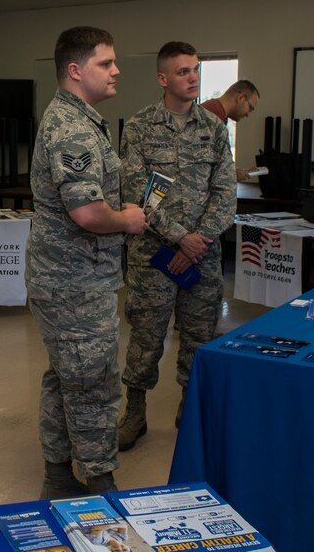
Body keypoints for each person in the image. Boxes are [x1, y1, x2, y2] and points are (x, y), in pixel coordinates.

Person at [26, 26, 147, 498]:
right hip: (74, 282)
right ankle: (100, 484)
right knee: (93, 384)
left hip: (72, 278)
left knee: (66, 377)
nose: (116, 70)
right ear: (76, 71)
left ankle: (58, 476)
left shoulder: (78, 119)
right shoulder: (73, 129)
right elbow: (88, 213)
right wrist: (128, 220)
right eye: (106, 63)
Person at [118, 41, 236, 451]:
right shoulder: (138, 127)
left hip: (202, 257)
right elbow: (136, 192)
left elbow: (225, 192)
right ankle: (134, 412)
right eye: (183, 71)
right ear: (163, 78)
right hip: (154, 257)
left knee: (200, 337)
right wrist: (178, 237)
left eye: (196, 70)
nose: (193, 78)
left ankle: (190, 406)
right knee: (146, 337)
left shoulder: (215, 129)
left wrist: (197, 241)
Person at [201, 80, 260, 182]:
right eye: (250, 108)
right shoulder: (212, 117)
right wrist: (233, 174)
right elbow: (200, 166)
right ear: (240, 98)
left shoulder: (215, 113)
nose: (248, 114)